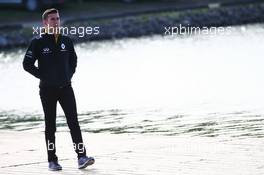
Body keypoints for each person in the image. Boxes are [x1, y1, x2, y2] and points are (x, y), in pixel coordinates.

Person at [23, 8, 94, 171]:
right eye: (52, 19)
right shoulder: (37, 42)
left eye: (57, 19)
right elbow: (26, 64)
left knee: (74, 123)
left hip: (66, 88)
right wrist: (43, 76)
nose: (56, 22)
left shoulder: (66, 40)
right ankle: (52, 160)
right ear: (45, 23)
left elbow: (73, 61)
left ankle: (81, 157)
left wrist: (68, 75)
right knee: (50, 125)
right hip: (47, 90)